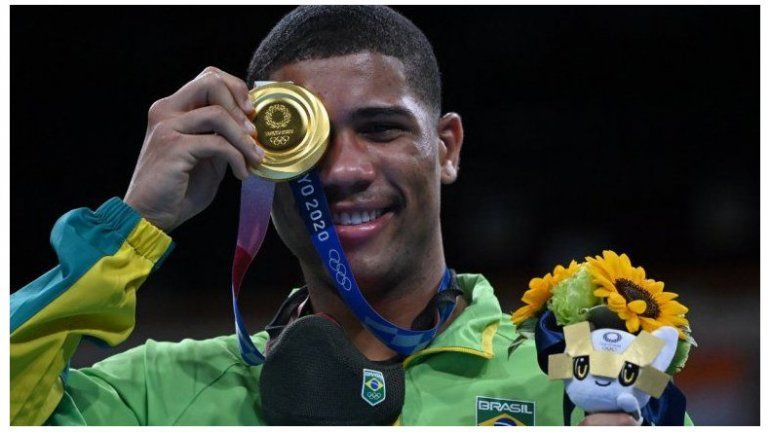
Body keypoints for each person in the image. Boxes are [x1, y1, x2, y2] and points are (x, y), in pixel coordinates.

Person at [10, 6, 686, 426]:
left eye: (382, 128)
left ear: (446, 148)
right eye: (307, 141)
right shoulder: (158, 394)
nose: (343, 171)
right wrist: (133, 224)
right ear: (261, 160)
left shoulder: (576, 373)